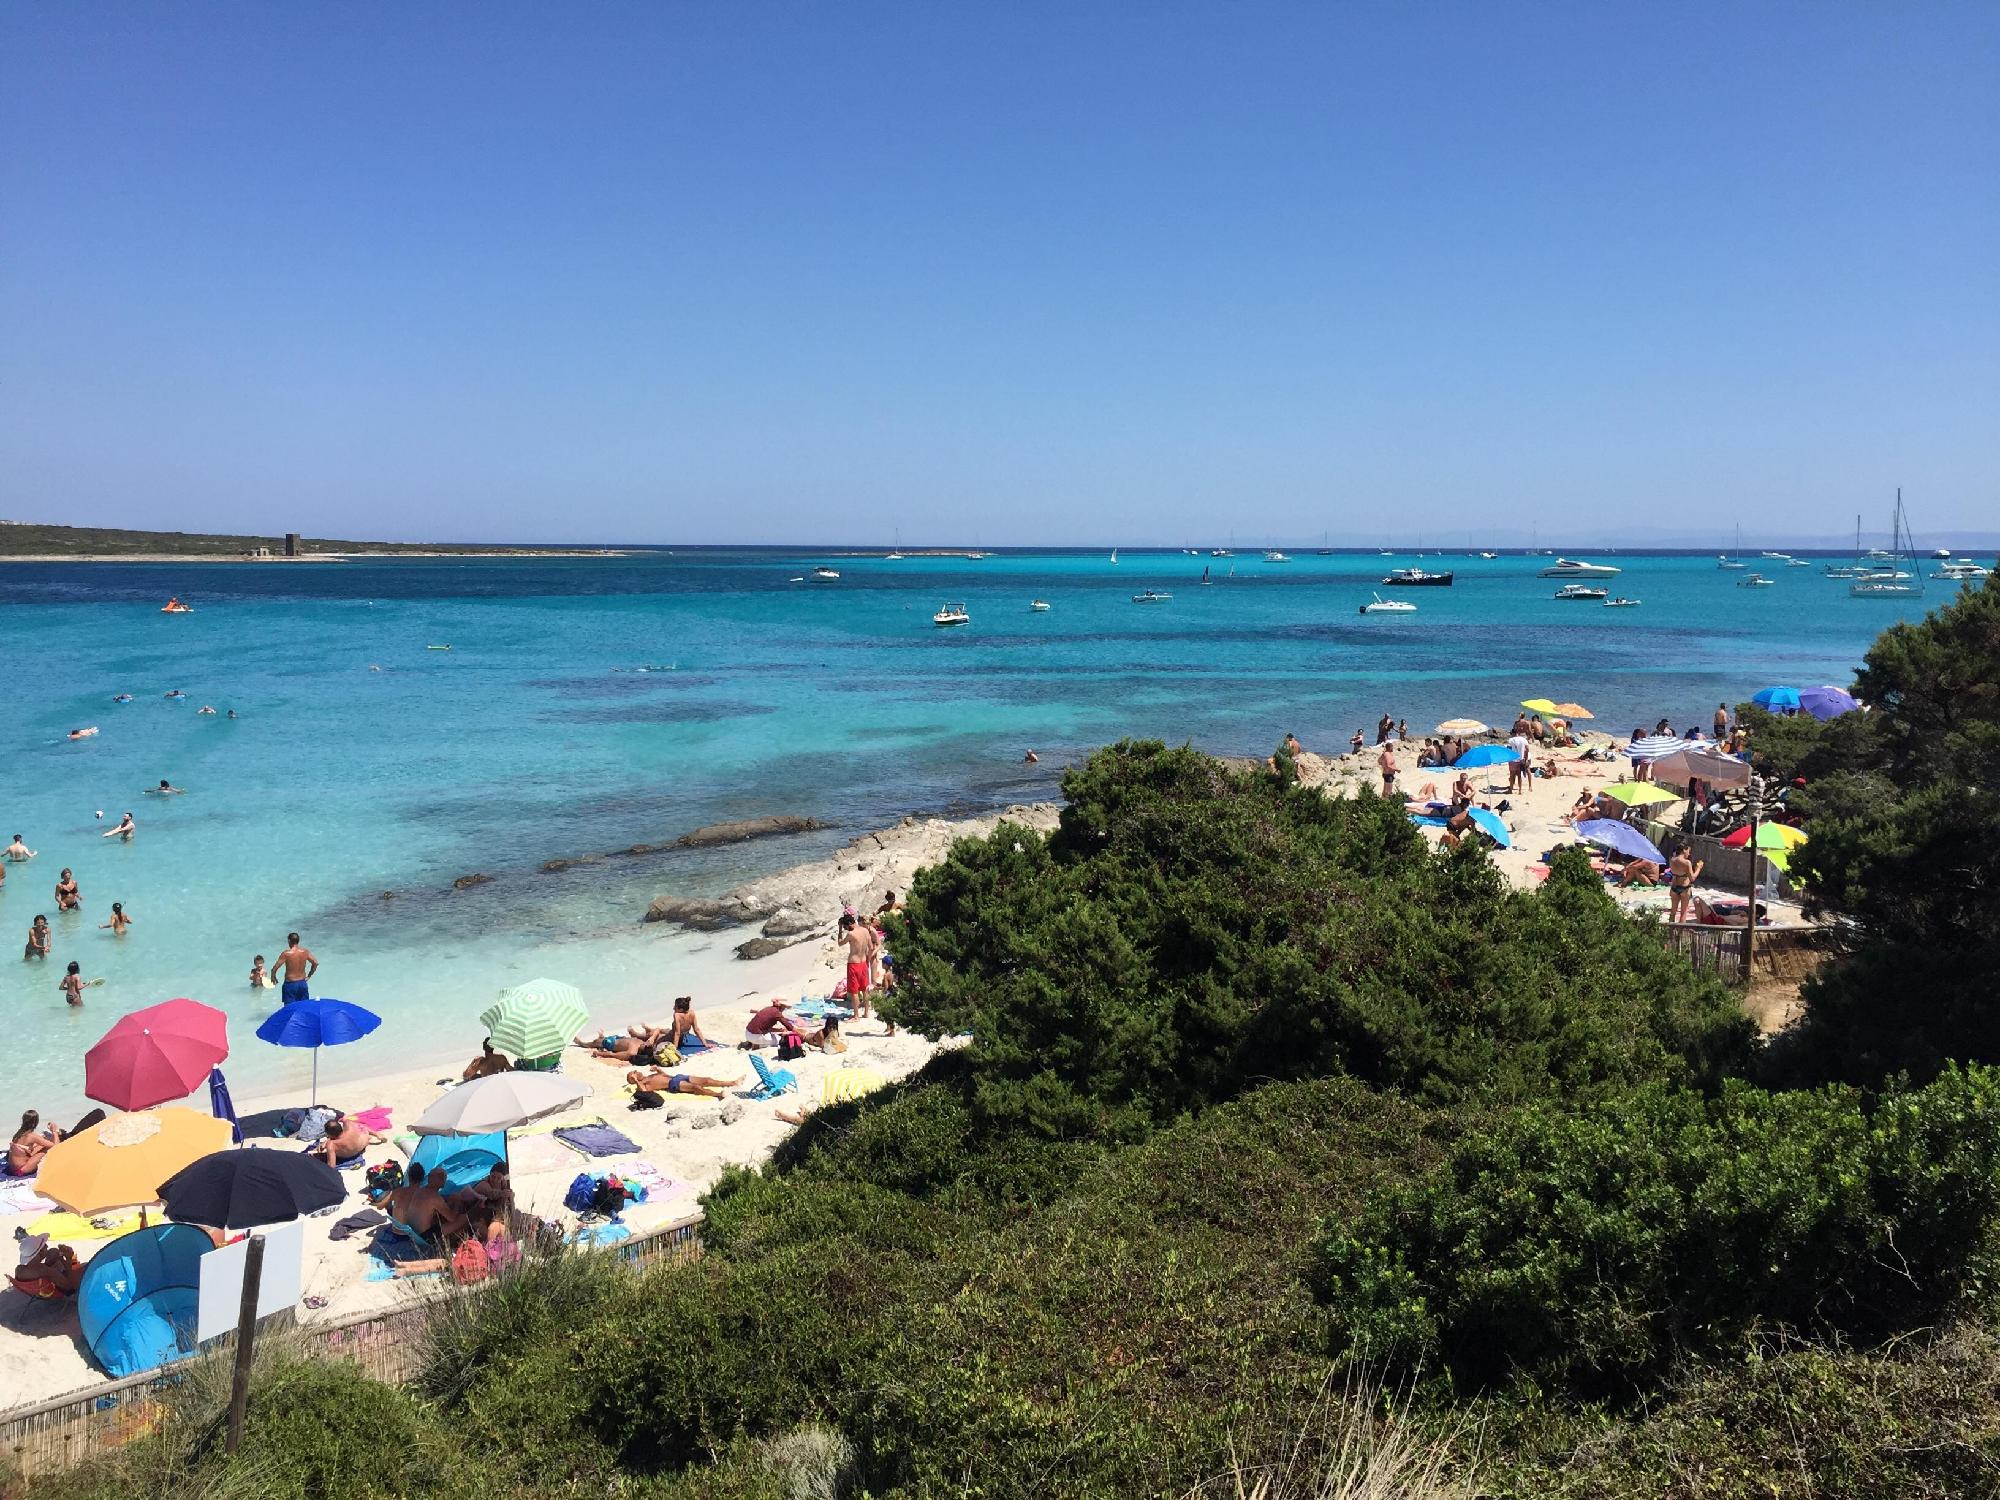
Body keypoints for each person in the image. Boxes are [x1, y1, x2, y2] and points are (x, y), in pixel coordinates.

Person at [840, 913, 876, 1021]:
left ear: (849, 923)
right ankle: (866, 1012)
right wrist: (868, 959)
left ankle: (856, 1016)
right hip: (863, 962)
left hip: (853, 964)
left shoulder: (851, 934)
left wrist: (839, 930)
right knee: (865, 989)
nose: (846, 929)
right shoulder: (865, 930)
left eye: (845, 926)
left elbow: (840, 943)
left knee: (854, 991)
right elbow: (871, 947)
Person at [13, 1243, 85, 1296]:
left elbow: (39, 1269)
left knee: (53, 1251)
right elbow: (71, 1286)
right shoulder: (46, 1271)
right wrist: (70, 1258)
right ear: (39, 1253)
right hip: (66, 1286)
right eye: (44, 1245)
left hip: (43, 1286)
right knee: (84, 1266)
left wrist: (57, 1258)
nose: (47, 1246)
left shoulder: (19, 1270)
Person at [627, 1067, 741, 1100]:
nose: (637, 1072)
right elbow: (644, 1091)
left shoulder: (648, 1076)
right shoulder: (643, 1084)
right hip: (673, 1084)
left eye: (635, 1071)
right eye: (634, 1074)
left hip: (677, 1077)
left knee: (707, 1080)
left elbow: (664, 1075)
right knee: (696, 1087)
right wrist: (636, 1081)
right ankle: (718, 1095)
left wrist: (658, 1070)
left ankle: (732, 1083)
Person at [315, 1115, 381, 1168]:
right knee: (362, 1129)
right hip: (362, 1144)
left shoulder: (331, 1144)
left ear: (329, 1134)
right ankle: (377, 1134)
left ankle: (376, 1135)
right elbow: (345, 1119)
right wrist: (343, 1119)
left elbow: (331, 1166)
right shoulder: (349, 1126)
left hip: (349, 1155)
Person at [274, 933, 317, 1002]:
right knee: (303, 1006)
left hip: (290, 985)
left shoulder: (286, 954)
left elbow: (275, 968)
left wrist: (273, 977)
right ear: (298, 941)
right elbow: (315, 963)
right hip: (302, 983)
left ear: (289, 941)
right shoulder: (305, 952)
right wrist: (309, 976)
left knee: (290, 1007)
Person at [1667, 848, 1704, 925]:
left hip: (1674, 887)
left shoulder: (1672, 860)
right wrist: (1698, 868)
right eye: (1688, 851)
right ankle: (1680, 931)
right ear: (1684, 850)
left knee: (1673, 912)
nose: (1689, 854)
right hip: (1684, 888)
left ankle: (1670, 930)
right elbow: (1692, 878)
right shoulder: (1687, 862)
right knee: (1683, 913)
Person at [1506, 725, 1531, 795]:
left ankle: (1511, 790)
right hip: (1521, 760)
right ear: (1518, 733)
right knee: (1519, 776)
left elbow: (1508, 750)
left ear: (1513, 733)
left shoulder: (1511, 740)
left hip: (1513, 760)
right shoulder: (1524, 740)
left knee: (1512, 775)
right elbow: (1527, 750)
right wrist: (1525, 759)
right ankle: (1520, 791)